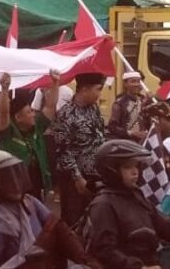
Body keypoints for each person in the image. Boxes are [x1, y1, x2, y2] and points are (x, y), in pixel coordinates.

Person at [86, 139, 170, 268]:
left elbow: (167, 227)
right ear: (111, 170)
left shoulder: (136, 197)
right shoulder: (103, 204)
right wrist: (139, 267)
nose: (135, 171)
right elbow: (105, 250)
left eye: (135, 166)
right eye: (127, 167)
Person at [0, 150, 97, 269]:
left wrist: (84, 259)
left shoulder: (29, 202)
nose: (15, 183)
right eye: (7, 180)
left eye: (17, 175)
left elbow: (57, 226)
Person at [50, 72, 106, 226]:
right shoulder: (66, 114)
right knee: (74, 220)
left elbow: (100, 137)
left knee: (95, 218)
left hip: (94, 174)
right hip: (73, 178)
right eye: (98, 89)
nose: (100, 94)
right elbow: (62, 149)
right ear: (84, 89)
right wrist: (77, 178)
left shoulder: (94, 109)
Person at [0, 72, 60, 201]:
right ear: (18, 117)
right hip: (14, 188)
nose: (33, 114)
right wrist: (4, 89)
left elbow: (50, 106)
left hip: (37, 186)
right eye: (29, 112)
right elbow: (3, 113)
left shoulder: (37, 127)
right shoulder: (7, 132)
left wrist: (55, 83)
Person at [107, 71, 149, 143]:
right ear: (125, 84)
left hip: (143, 142)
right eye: (133, 81)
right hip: (126, 142)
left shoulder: (144, 99)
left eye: (138, 81)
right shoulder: (119, 103)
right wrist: (131, 133)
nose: (136, 84)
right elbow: (112, 127)